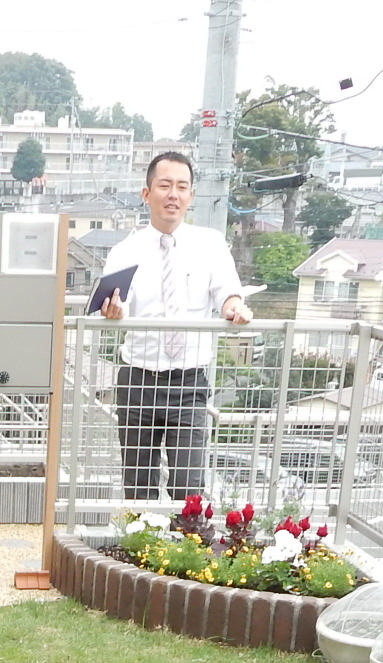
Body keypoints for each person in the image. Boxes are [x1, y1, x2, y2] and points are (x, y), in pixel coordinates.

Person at [99, 150, 252, 505]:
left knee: (189, 487)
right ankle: (139, 555)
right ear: (146, 193)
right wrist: (114, 308)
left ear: (191, 196)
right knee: (138, 486)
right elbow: (119, 300)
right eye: (164, 185)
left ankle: (189, 553)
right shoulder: (127, 249)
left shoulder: (209, 243)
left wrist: (234, 306)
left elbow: (227, 291)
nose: (173, 194)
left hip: (189, 381)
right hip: (138, 379)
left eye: (182, 187)